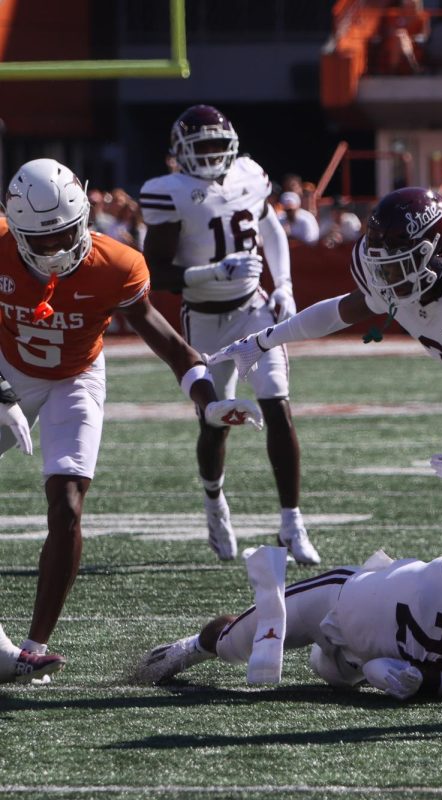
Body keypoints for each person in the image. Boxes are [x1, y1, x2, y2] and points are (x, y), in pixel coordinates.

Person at [209, 188, 442, 594]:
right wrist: (264, 339)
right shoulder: (395, 277)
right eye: (382, 267)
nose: (387, 278)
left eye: (398, 266)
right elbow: (342, 311)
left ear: (437, 252)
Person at [0, 158, 261, 683]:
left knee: (68, 504)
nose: (54, 250)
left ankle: (32, 648)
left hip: (76, 377)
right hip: (7, 369)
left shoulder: (116, 264)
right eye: (41, 241)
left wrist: (208, 403)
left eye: (65, 236)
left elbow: (174, 347)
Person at [140, 105, 319, 565]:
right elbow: (156, 273)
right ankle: (214, 501)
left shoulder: (250, 175)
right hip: (202, 318)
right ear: (180, 153)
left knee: (277, 404)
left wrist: (285, 286)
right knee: (215, 421)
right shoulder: (169, 193)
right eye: (202, 148)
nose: (212, 156)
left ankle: (292, 522)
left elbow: (270, 227)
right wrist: (212, 272)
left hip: (253, 311)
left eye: (219, 145)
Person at [135, 546, 442, 704]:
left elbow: (408, 679)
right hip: (337, 596)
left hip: (355, 655)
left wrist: (379, 673)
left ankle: (331, 660)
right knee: (238, 644)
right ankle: (191, 646)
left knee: (337, 675)